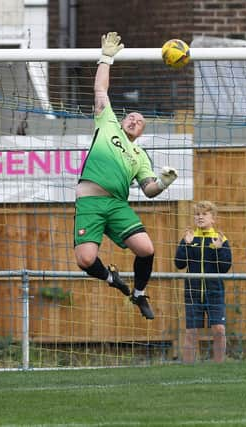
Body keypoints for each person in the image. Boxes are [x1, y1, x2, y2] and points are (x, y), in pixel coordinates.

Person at [74, 32, 178, 320]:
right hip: (90, 203)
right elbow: (100, 90)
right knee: (85, 260)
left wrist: (165, 182)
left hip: (117, 205)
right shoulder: (107, 125)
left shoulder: (139, 155)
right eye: (131, 116)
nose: (135, 119)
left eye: (140, 121)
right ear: (122, 120)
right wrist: (106, 58)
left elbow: (149, 189)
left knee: (146, 249)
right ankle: (112, 280)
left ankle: (140, 294)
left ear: (142, 132)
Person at [175, 200, 232, 363]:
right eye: (197, 214)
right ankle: (187, 369)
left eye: (204, 214)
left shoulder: (220, 239)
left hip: (215, 292)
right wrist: (185, 245)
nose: (200, 217)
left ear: (213, 218)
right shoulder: (189, 237)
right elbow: (179, 264)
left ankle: (219, 367)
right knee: (191, 332)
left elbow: (225, 267)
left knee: (219, 330)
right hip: (192, 293)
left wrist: (219, 249)